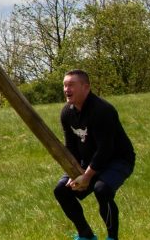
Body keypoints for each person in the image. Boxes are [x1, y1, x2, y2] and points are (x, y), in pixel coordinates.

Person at [53, 69, 136, 240]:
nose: (67, 89)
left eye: (71, 85)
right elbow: (71, 147)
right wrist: (74, 173)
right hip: (89, 161)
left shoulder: (102, 110)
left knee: (102, 189)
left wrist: (87, 176)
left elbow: (105, 149)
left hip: (118, 160)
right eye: (65, 85)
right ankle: (86, 235)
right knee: (62, 190)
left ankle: (112, 237)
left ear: (86, 87)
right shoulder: (67, 113)